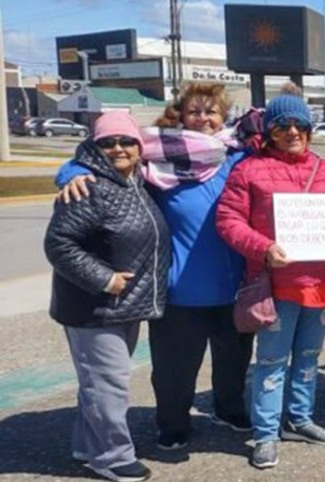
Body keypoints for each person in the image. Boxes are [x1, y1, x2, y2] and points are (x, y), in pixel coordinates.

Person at [55, 83, 255, 449]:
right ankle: (173, 423)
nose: (203, 118)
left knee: (235, 357)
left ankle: (229, 408)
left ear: (223, 117)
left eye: (211, 111)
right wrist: (70, 174)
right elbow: (95, 161)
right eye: (195, 111)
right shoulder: (156, 160)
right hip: (178, 289)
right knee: (174, 368)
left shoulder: (238, 157)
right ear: (180, 115)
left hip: (233, 285)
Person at [216, 93, 325, 469]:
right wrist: (263, 247)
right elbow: (228, 221)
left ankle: (300, 418)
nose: (293, 132)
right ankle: (265, 433)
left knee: (308, 357)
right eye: (283, 126)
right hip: (277, 285)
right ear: (270, 131)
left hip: (324, 283)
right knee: (271, 359)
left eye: (300, 125)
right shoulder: (248, 170)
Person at [45, 111, 170, 482]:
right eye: (107, 142)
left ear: (139, 146)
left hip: (123, 305)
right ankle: (112, 457)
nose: (118, 148)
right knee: (109, 382)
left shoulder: (136, 183)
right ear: (94, 147)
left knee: (98, 381)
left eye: (126, 141)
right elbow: (59, 244)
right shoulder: (88, 187)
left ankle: (87, 446)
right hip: (93, 306)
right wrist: (104, 280)